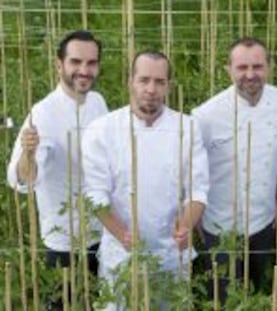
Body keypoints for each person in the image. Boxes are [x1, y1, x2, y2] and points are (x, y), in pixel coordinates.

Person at [81, 50, 209, 310]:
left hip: (171, 255)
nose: (151, 89)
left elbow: (198, 190)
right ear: (130, 81)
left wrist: (185, 225)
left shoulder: (187, 127)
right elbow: (95, 194)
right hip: (121, 255)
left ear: (168, 86)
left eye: (159, 82)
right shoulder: (102, 130)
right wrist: (123, 235)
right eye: (144, 80)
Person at [7, 30, 108, 309]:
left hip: (101, 233)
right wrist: (29, 153)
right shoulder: (43, 113)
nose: (84, 70)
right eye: (76, 62)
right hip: (65, 242)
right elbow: (21, 180)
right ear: (59, 65)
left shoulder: (98, 102)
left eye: (91, 63)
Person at [192, 37, 277, 301]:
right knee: (226, 299)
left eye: (258, 66)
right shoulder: (205, 115)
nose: (250, 75)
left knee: (259, 292)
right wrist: (195, 219)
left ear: (269, 67)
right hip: (219, 227)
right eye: (241, 68)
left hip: (263, 222)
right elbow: (192, 171)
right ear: (228, 69)